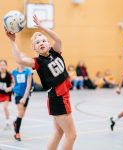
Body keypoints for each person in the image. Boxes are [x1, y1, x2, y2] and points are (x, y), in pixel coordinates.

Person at [5, 14, 76, 149]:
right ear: (35, 49)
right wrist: (13, 41)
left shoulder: (56, 52)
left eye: (44, 41)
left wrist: (42, 28)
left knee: (58, 133)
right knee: (71, 135)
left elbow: (57, 38)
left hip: (60, 96)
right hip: (58, 98)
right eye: (37, 43)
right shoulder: (37, 62)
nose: (41, 43)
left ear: (49, 44)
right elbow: (19, 60)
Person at [12, 63, 32, 141]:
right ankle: (17, 133)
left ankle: (16, 122)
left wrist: (25, 97)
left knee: (22, 113)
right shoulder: (14, 72)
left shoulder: (28, 71)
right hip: (18, 94)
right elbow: (14, 83)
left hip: (26, 95)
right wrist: (12, 89)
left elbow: (28, 85)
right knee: (20, 112)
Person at [0, 60, 13, 130]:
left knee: (5, 107)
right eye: (1, 65)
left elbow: (13, 83)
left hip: (6, 94)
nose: (2, 66)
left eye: (3, 65)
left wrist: (10, 88)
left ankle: (8, 122)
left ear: (6, 66)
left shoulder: (9, 75)